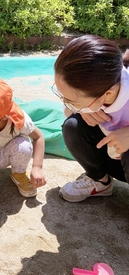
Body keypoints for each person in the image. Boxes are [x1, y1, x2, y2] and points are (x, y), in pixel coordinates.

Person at [52, 34, 129, 202]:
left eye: (72, 100)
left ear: (106, 94)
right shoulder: (104, 81)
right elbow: (67, 111)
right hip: (114, 158)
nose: (66, 103)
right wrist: (82, 110)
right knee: (73, 125)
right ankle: (100, 182)